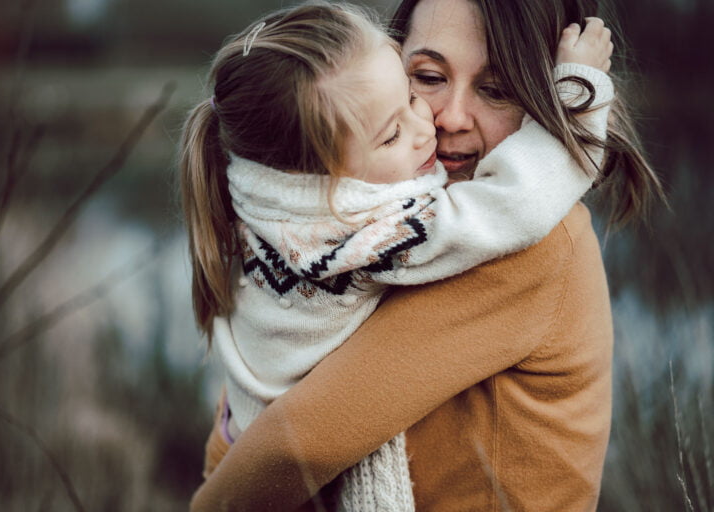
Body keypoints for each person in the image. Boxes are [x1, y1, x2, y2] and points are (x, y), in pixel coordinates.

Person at [182, 1, 635, 510]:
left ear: (540, 96)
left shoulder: (533, 250)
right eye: (427, 78)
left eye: (496, 89)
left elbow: (300, 440)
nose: (446, 120)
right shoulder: (361, 227)